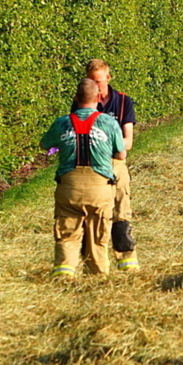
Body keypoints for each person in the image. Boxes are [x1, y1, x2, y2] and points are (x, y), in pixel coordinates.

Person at [42, 78, 125, 278]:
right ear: (98, 97)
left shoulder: (62, 122)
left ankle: (64, 275)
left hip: (68, 186)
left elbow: (46, 144)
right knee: (98, 236)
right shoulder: (108, 122)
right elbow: (121, 155)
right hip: (99, 186)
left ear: (75, 98)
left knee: (67, 235)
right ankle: (98, 278)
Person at [72, 59, 140, 271]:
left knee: (121, 212)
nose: (96, 87)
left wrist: (104, 146)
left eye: (99, 82)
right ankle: (93, 264)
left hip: (114, 163)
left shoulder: (122, 102)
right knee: (93, 216)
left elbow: (128, 142)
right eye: (91, 82)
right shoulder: (80, 103)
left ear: (108, 79)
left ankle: (127, 260)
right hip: (91, 166)